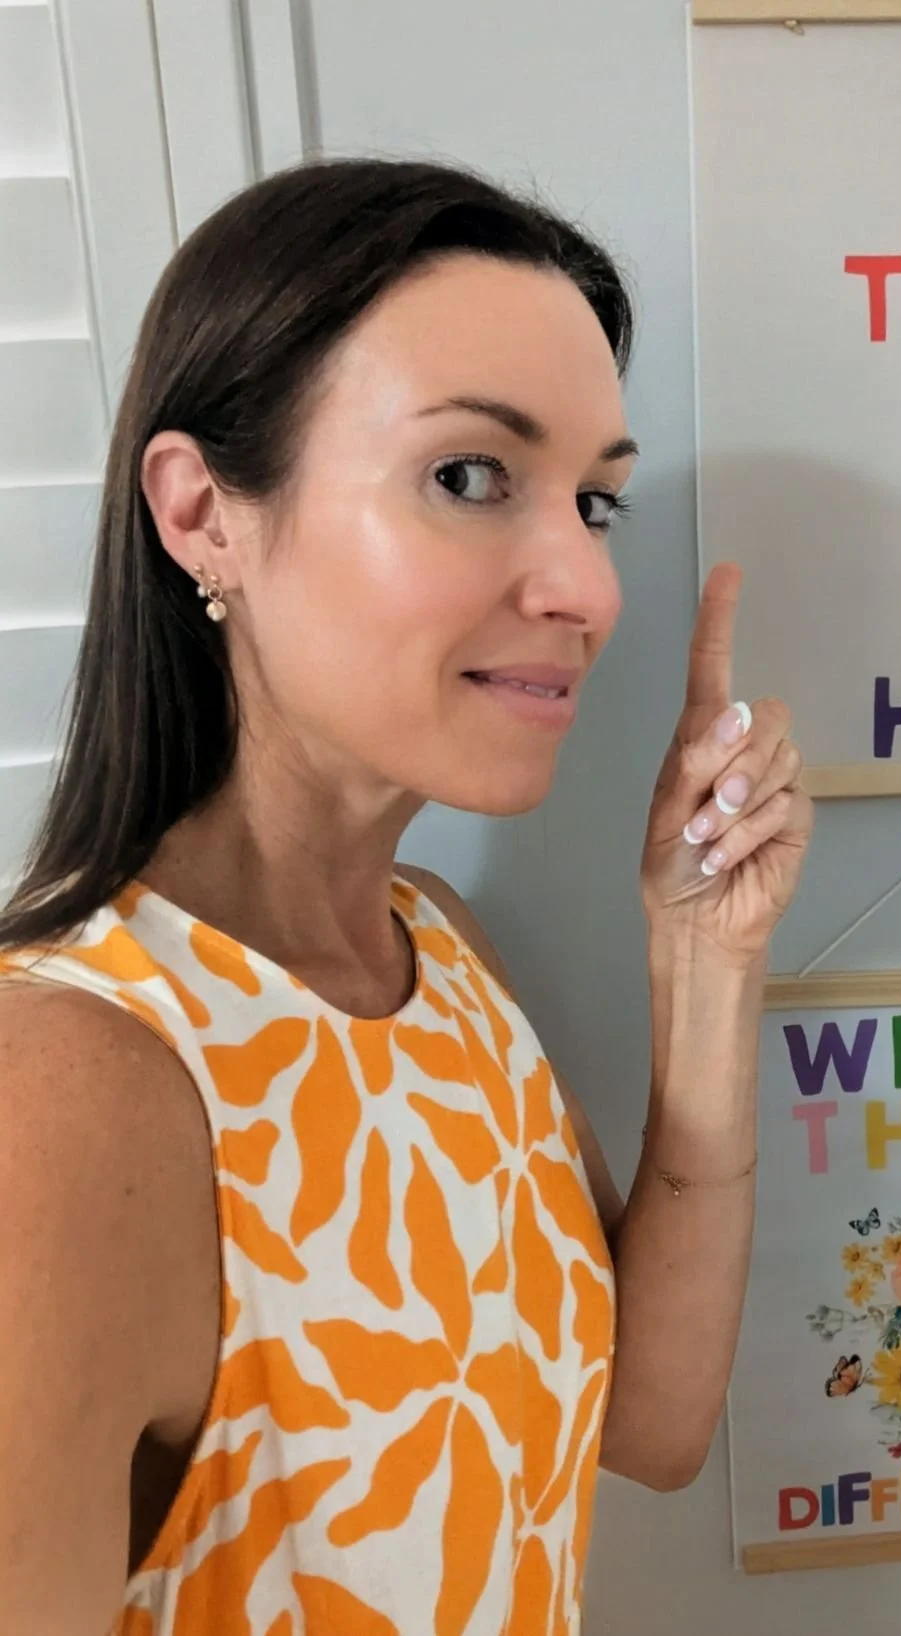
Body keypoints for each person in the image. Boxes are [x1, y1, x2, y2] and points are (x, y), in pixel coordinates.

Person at [0, 159, 812, 1636]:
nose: (586, 584)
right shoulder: (63, 1100)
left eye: (596, 503)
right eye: (469, 476)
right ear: (203, 517)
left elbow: (646, 1422)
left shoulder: (435, 951)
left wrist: (705, 964)